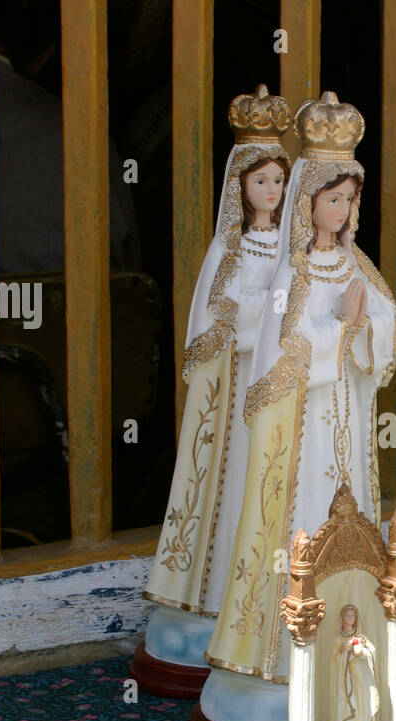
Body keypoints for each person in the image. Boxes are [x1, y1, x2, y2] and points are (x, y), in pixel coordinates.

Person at [196, 93, 396, 721]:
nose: (341, 211)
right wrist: (337, 332)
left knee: (350, 522)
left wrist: (365, 331)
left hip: (346, 416)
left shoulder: (357, 263)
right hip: (303, 434)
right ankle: (279, 663)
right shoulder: (293, 270)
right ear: (308, 199)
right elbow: (279, 350)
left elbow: (386, 329)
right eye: (331, 198)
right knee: (296, 531)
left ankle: (348, 663)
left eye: (349, 199)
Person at [137, 86, 290, 681]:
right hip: (235, 403)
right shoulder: (229, 250)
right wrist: (263, 315)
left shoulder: (295, 248)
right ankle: (215, 599)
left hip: (278, 395)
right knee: (230, 490)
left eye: (279, 181)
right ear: (239, 187)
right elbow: (217, 320)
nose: (271, 192)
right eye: (261, 182)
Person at [320, 604, 383, 721]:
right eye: (347, 616)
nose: (350, 619)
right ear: (341, 619)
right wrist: (346, 653)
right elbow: (334, 662)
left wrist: (362, 650)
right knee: (349, 711)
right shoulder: (338, 640)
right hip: (346, 685)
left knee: (363, 709)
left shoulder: (361, 636)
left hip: (362, 681)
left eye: (352, 616)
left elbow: (372, 651)